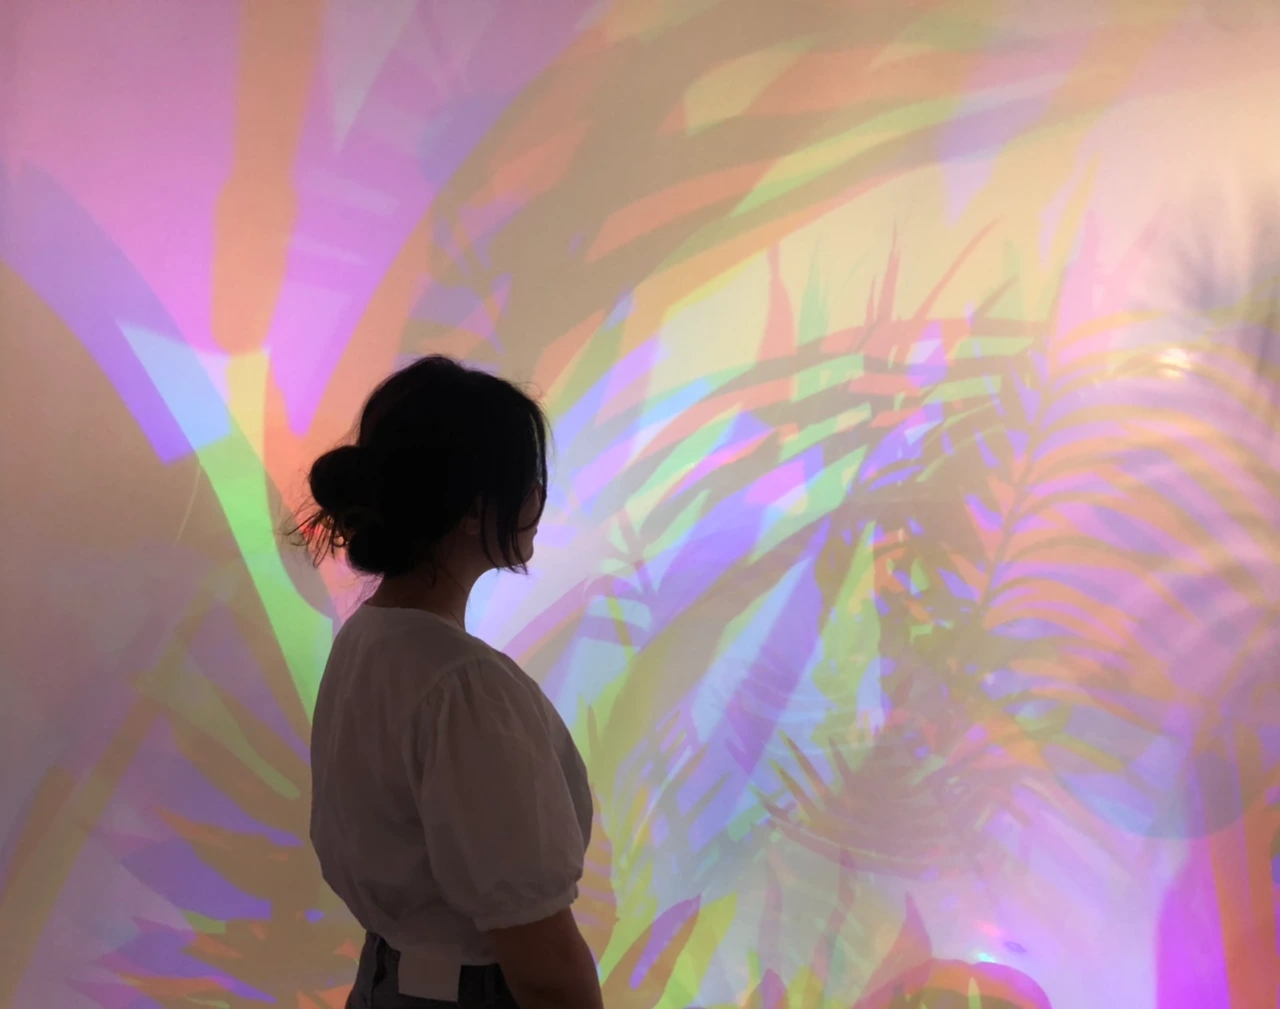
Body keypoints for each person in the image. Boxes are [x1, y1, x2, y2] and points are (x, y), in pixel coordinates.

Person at [292, 355, 602, 1009]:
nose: (538, 497)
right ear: (472, 510)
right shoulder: (462, 688)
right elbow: (544, 965)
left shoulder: (366, 642)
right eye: (529, 477)